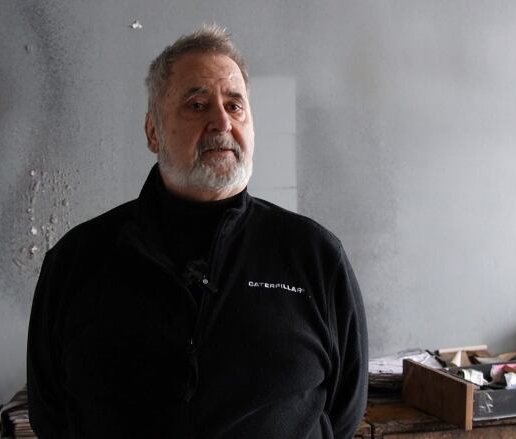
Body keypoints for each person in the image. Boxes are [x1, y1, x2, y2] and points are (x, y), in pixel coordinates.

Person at [27, 24, 368, 439]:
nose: (221, 121)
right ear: (153, 131)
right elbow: (51, 415)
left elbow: (343, 412)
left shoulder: (314, 256)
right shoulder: (77, 261)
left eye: (235, 105)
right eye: (197, 104)